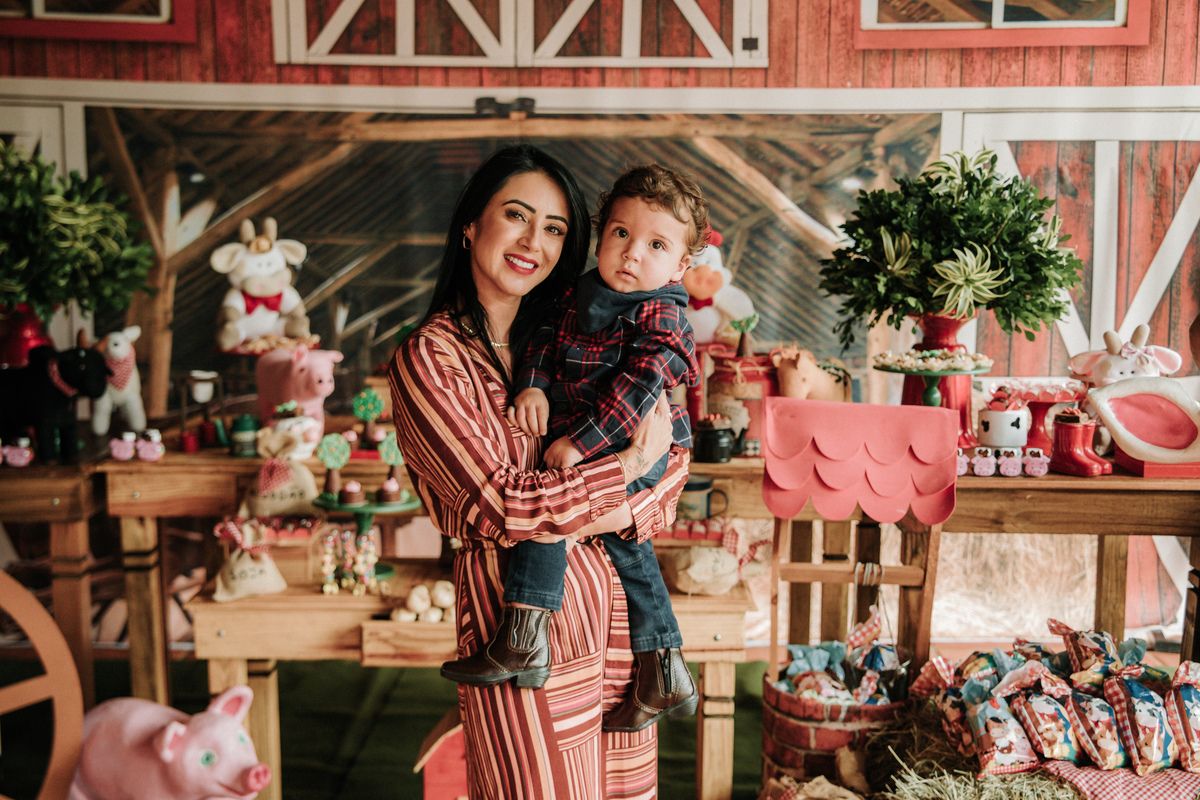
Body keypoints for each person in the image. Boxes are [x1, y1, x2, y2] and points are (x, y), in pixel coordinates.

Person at [389, 144, 689, 798]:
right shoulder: (430, 360)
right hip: (521, 630)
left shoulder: (576, 332)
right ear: (471, 224)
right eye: (517, 217)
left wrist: (636, 497)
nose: (535, 241)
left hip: (618, 627)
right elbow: (503, 506)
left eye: (555, 228)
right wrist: (628, 472)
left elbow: (676, 449)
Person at [440, 164, 706, 734]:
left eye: (656, 245)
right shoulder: (578, 294)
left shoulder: (660, 310)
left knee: (555, 510)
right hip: (600, 441)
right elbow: (545, 342)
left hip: (622, 434)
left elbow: (640, 388)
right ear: (602, 233)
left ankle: (525, 634)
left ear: (682, 265)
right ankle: (665, 669)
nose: (632, 254)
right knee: (628, 550)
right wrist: (533, 383)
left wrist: (580, 445)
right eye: (620, 234)